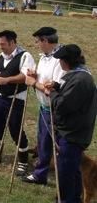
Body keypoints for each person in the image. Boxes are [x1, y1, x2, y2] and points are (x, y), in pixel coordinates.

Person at [38, 44, 96, 203]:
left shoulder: (80, 80)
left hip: (73, 133)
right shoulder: (78, 76)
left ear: (66, 61)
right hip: (73, 131)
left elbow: (63, 105)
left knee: (65, 171)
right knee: (73, 170)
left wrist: (52, 92)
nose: (60, 64)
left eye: (61, 60)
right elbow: (68, 96)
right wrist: (57, 85)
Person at [0, 30, 35, 177]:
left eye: (3, 44)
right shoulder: (1, 56)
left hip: (15, 98)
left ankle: (23, 162)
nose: (1, 47)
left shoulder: (25, 56)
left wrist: (6, 80)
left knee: (15, 129)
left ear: (12, 42)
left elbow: (24, 76)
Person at [20, 27, 64, 185]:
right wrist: (34, 76)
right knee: (43, 140)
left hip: (56, 109)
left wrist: (33, 83)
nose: (37, 44)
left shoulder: (60, 59)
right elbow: (42, 80)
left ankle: (64, 175)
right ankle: (40, 173)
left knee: (58, 144)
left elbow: (53, 89)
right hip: (44, 107)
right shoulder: (44, 57)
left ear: (46, 41)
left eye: (38, 41)